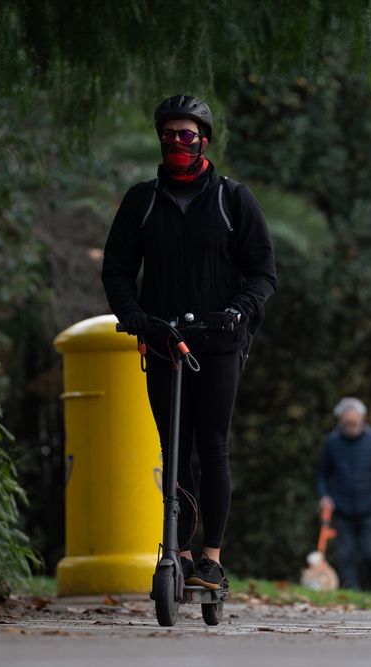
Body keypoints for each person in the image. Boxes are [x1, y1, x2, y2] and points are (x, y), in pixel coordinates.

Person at [101, 94, 276, 590]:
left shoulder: (232, 199)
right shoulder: (142, 200)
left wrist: (238, 311)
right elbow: (116, 268)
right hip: (161, 341)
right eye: (169, 134)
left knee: (212, 447)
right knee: (173, 448)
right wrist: (134, 316)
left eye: (187, 134)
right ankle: (175, 553)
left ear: (204, 140)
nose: (178, 142)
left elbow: (262, 272)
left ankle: (212, 559)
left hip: (218, 345)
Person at [317, 397, 371, 590]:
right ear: (340, 421)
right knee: (345, 557)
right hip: (342, 509)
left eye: (354, 423)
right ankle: (350, 596)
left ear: (362, 419)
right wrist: (324, 496)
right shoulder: (332, 443)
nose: (350, 428)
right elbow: (322, 474)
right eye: (346, 424)